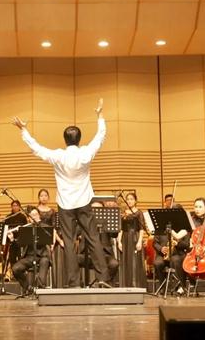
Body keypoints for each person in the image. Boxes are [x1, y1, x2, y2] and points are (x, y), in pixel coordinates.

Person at [12, 98, 110, 288]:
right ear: (79, 139)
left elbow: (37, 149)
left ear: (65, 140)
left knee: (69, 241)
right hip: (84, 202)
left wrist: (24, 130)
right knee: (93, 238)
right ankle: (104, 278)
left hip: (65, 204)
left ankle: (73, 282)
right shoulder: (85, 153)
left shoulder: (58, 155)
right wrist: (100, 116)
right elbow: (101, 136)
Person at [10, 207, 51, 294]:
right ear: (29, 218)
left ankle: (41, 289)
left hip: (42, 256)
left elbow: (49, 239)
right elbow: (19, 244)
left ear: (39, 215)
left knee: (45, 261)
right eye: (32, 215)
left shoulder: (45, 227)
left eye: (36, 215)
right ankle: (28, 288)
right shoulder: (26, 229)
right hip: (29, 257)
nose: (34, 217)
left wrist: (37, 226)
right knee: (15, 269)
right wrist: (12, 239)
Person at [152, 202, 189, 294]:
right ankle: (162, 287)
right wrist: (161, 249)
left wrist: (177, 243)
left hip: (178, 254)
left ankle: (180, 286)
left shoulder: (184, 226)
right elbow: (155, 243)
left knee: (175, 261)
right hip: (163, 254)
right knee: (158, 263)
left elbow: (186, 244)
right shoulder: (161, 225)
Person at [117, 192, 147, 288]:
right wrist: (119, 241)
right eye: (128, 199)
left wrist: (139, 241)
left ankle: (135, 285)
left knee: (135, 261)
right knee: (126, 261)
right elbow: (121, 229)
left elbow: (141, 229)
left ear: (135, 201)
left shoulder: (139, 212)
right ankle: (126, 285)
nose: (129, 201)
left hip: (135, 237)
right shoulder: (123, 213)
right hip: (125, 238)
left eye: (131, 199)